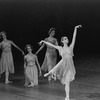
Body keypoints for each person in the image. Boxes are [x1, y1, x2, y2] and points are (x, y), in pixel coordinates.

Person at [40, 25, 82, 100]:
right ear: (62, 41)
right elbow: (51, 44)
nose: (67, 39)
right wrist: (44, 41)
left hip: (69, 67)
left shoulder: (71, 47)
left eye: (67, 38)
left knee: (67, 82)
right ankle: (50, 72)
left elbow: (74, 37)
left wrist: (75, 28)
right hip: (63, 64)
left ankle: (67, 97)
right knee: (59, 63)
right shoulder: (60, 48)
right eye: (65, 39)